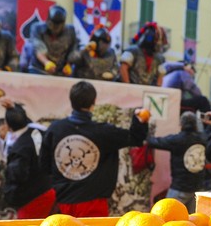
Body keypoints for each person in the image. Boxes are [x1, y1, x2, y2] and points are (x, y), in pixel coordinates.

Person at [40, 81, 148, 217]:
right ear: (94, 102)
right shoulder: (103, 132)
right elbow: (136, 138)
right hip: (92, 204)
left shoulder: (55, 129)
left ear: (71, 101)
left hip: (63, 202)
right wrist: (139, 119)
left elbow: (44, 165)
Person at [147, 112, 206, 213]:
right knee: (194, 221)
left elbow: (153, 142)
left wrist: (145, 129)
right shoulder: (203, 138)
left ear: (181, 124)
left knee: (166, 216)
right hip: (198, 187)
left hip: (179, 187)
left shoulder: (177, 140)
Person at [4, 105, 56, 219]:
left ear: (8, 126)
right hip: (46, 189)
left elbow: (18, 174)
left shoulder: (21, 146)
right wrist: (13, 108)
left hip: (33, 196)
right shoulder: (36, 132)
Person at [27, 5, 79, 76]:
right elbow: (38, 48)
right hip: (38, 70)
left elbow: (74, 49)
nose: (55, 29)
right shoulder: (37, 28)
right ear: (48, 20)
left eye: (58, 26)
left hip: (61, 72)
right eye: (53, 24)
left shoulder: (70, 31)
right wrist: (46, 62)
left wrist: (69, 64)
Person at [120, 22, 166, 86]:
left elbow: (160, 77)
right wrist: (128, 87)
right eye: (156, 41)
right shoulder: (133, 51)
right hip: (130, 89)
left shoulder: (159, 58)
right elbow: (123, 68)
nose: (159, 44)